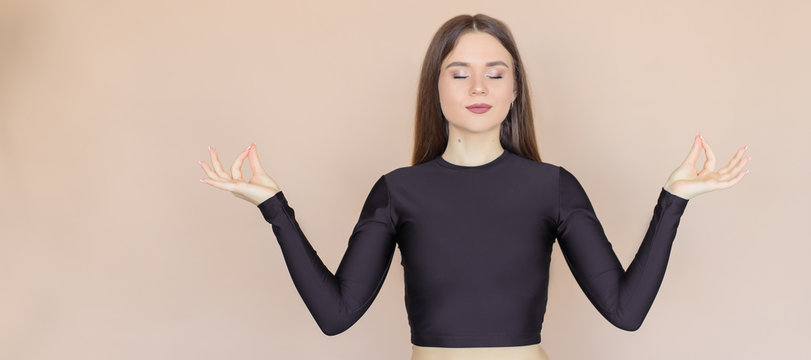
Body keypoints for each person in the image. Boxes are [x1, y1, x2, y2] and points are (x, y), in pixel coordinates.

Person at [198, 13, 750, 360]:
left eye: (497, 72)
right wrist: (274, 208)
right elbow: (335, 316)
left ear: (516, 90)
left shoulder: (553, 188)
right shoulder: (397, 192)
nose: (479, 85)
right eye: (459, 72)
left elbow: (625, 312)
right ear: (435, 88)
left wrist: (673, 201)